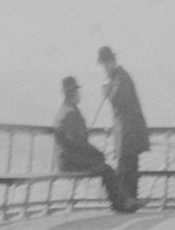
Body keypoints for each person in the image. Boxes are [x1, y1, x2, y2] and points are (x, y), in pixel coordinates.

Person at [52, 76, 135, 213]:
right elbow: (77, 143)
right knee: (106, 169)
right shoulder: (69, 114)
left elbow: (77, 140)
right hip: (69, 162)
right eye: (77, 92)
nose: (79, 95)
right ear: (72, 93)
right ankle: (121, 204)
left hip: (68, 158)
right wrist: (97, 153)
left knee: (105, 168)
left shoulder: (68, 111)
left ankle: (120, 202)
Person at [96, 46, 150, 211]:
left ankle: (125, 204)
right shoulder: (119, 77)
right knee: (128, 168)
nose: (104, 69)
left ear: (111, 62)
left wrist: (108, 93)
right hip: (128, 132)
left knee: (126, 168)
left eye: (105, 64)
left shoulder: (120, 78)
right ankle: (128, 203)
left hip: (128, 132)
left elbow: (119, 99)